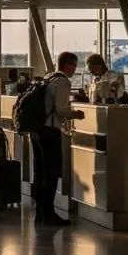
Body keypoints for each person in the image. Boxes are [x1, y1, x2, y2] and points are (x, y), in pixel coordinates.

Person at [33, 51, 85, 227]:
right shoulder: (63, 81)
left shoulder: (49, 77)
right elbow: (61, 109)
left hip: (38, 129)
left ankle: (40, 211)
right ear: (68, 64)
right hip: (50, 130)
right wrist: (76, 114)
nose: (74, 69)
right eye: (74, 65)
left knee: (40, 172)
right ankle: (49, 213)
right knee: (52, 172)